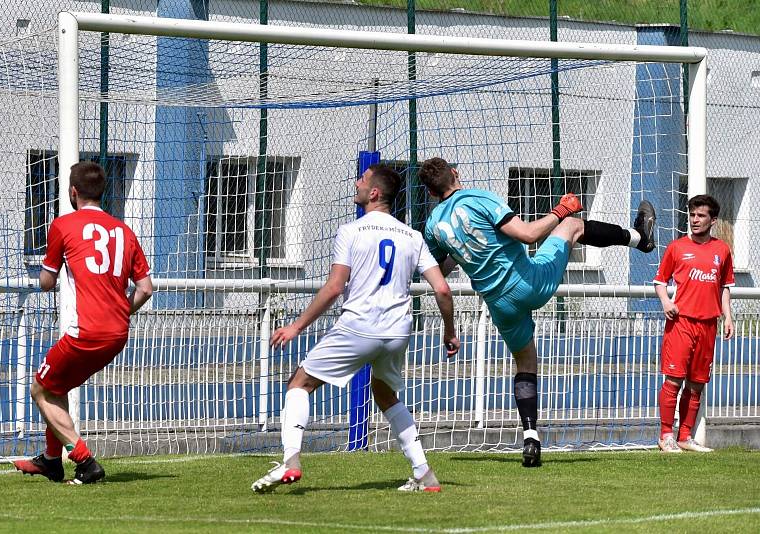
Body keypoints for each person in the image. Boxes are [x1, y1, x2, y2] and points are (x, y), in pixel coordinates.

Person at [417, 157, 656, 467]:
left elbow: (441, 267)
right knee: (573, 226)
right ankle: (641, 238)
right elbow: (528, 234)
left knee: (525, 362)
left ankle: (530, 437)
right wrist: (559, 212)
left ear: (431, 193)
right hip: (528, 282)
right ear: (455, 173)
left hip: (499, 304)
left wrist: (466, 258)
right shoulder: (478, 198)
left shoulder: (434, 224)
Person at [251, 164, 460, 494]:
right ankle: (424, 474)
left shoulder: (352, 231)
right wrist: (449, 331)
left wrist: (297, 326)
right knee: (386, 394)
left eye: (362, 180)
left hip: (359, 326)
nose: (356, 183)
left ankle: (290, 461)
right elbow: (443, 290)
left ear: (374, 193)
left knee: (299, 383)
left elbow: (335, 287)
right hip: (397, 332)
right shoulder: (413, 236)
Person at [14, 161, 153, 484]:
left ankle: (85, 461)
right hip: (117, 333)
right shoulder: (125, 231)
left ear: (73, 192)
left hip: (86, 332)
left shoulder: (64, 225)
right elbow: (145, 288)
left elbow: (47, 283)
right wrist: (120, 311)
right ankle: (51, 460)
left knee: (40, 389)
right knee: (56, 386)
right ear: (102, 192)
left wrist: (52, 264)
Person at [653, 194, 734, 453]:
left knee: (697, 383)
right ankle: (666, 435)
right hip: (682, 323)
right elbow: (659, 281)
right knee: (674, 379)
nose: (695, 220)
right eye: (692, 215)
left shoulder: (722, 250)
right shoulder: (676, 247)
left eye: (701, 216)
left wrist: (728, 316)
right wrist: (666, 302)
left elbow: (724, 287)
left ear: (713, 220)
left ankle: (684, 436)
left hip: (709, 325)